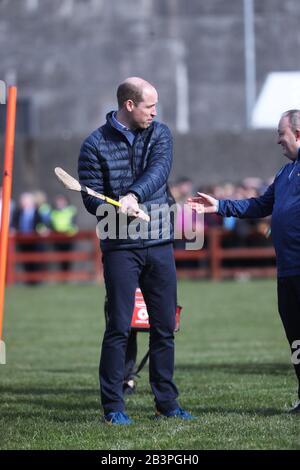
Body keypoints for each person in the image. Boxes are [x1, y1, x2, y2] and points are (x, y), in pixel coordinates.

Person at [78, 77, 194, 424]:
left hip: (158, 243)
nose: (154, 112)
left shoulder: (159, 133)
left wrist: (133, 195)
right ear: (129, 105)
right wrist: (117, 208)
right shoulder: (93, 144)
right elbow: (89, 197)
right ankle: (113, 406)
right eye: (149, 106)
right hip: (119, 248)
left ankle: (167, 403)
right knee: (118, 327)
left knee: (163, 327)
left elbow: (159, 172)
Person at [188, 109, 300, 414]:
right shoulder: (285, 173)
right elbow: (261, 205)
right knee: (296, 338)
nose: (278, 140)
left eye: (282, 133)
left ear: (298, 134)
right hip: (287, 269)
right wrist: (220, 205)